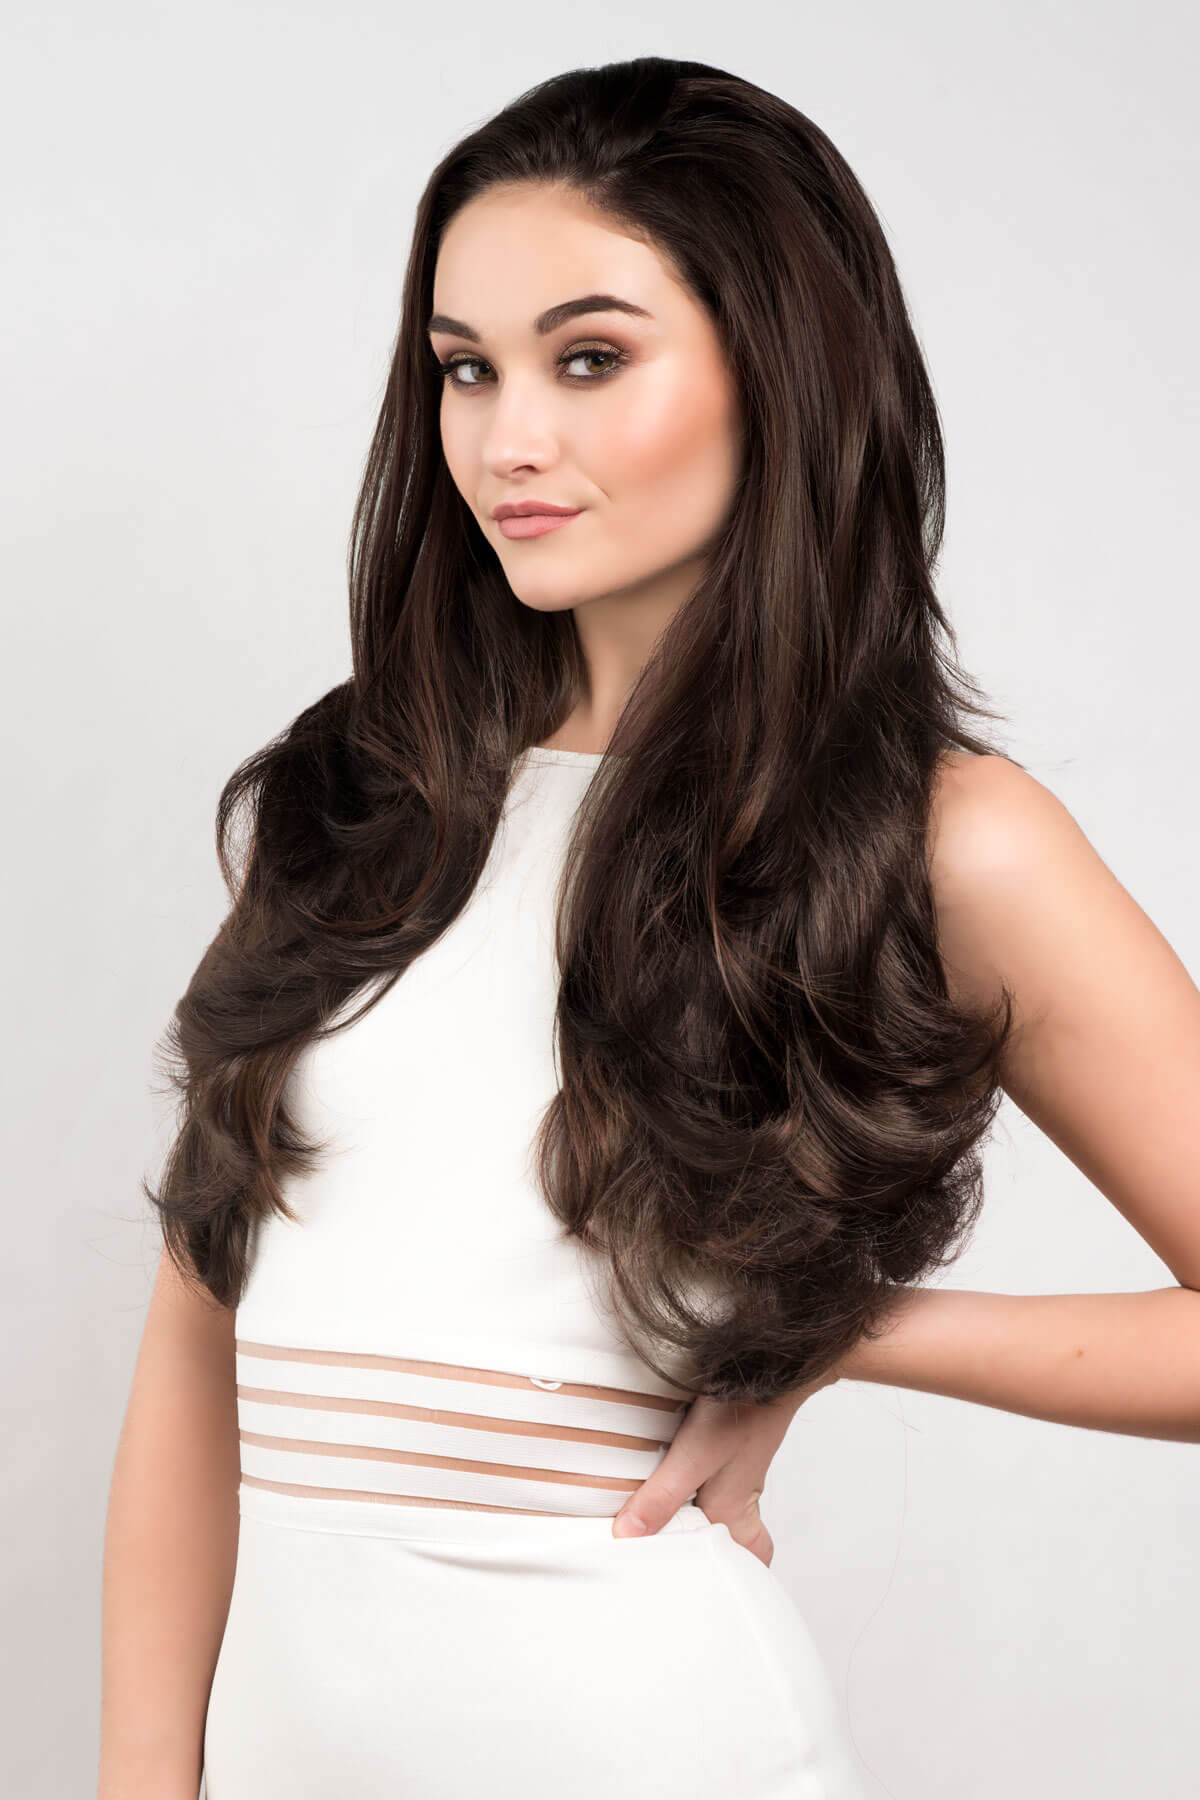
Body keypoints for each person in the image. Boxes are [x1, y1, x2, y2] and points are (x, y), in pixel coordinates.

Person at [98, 54, 1200, 1800]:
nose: (503, 438)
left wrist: (846, 1334)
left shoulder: (934, 837)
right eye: (465, 369)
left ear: (778, 371)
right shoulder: (363, 794)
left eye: (588, 358)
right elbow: (197, 1336)